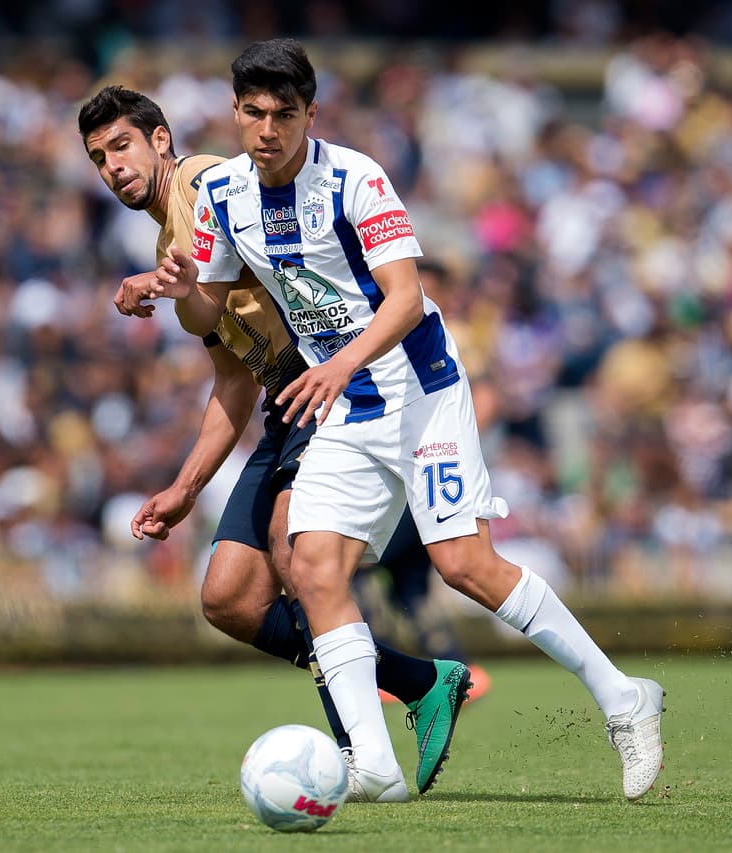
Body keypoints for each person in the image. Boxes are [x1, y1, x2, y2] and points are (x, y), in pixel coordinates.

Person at [151, 38, 666, 803]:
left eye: (283, 114)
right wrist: (177, 286)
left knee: (464, 564)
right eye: (253, 113)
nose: (267, 129)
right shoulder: (224, 193)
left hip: (419, 388)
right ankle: (375, 765)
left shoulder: (356, 177)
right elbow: (211, 307)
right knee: (314, 564)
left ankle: (625, 698)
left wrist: (335, 363)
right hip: (349, 401)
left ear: (309, 115)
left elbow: (404, 297)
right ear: (234, 113)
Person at [77, 85, 471, 799]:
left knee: (296, 550)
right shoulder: (171, 243)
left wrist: (172, 284)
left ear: (160, 140)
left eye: (122, 146)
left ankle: (362, 757)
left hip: (332, 378)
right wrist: (184, 488)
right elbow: (232, 383)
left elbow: (280, 265)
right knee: (227, 598)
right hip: (283, 401)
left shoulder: (207, 185)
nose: (112, 167)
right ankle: (420, 679)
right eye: (99, 158)